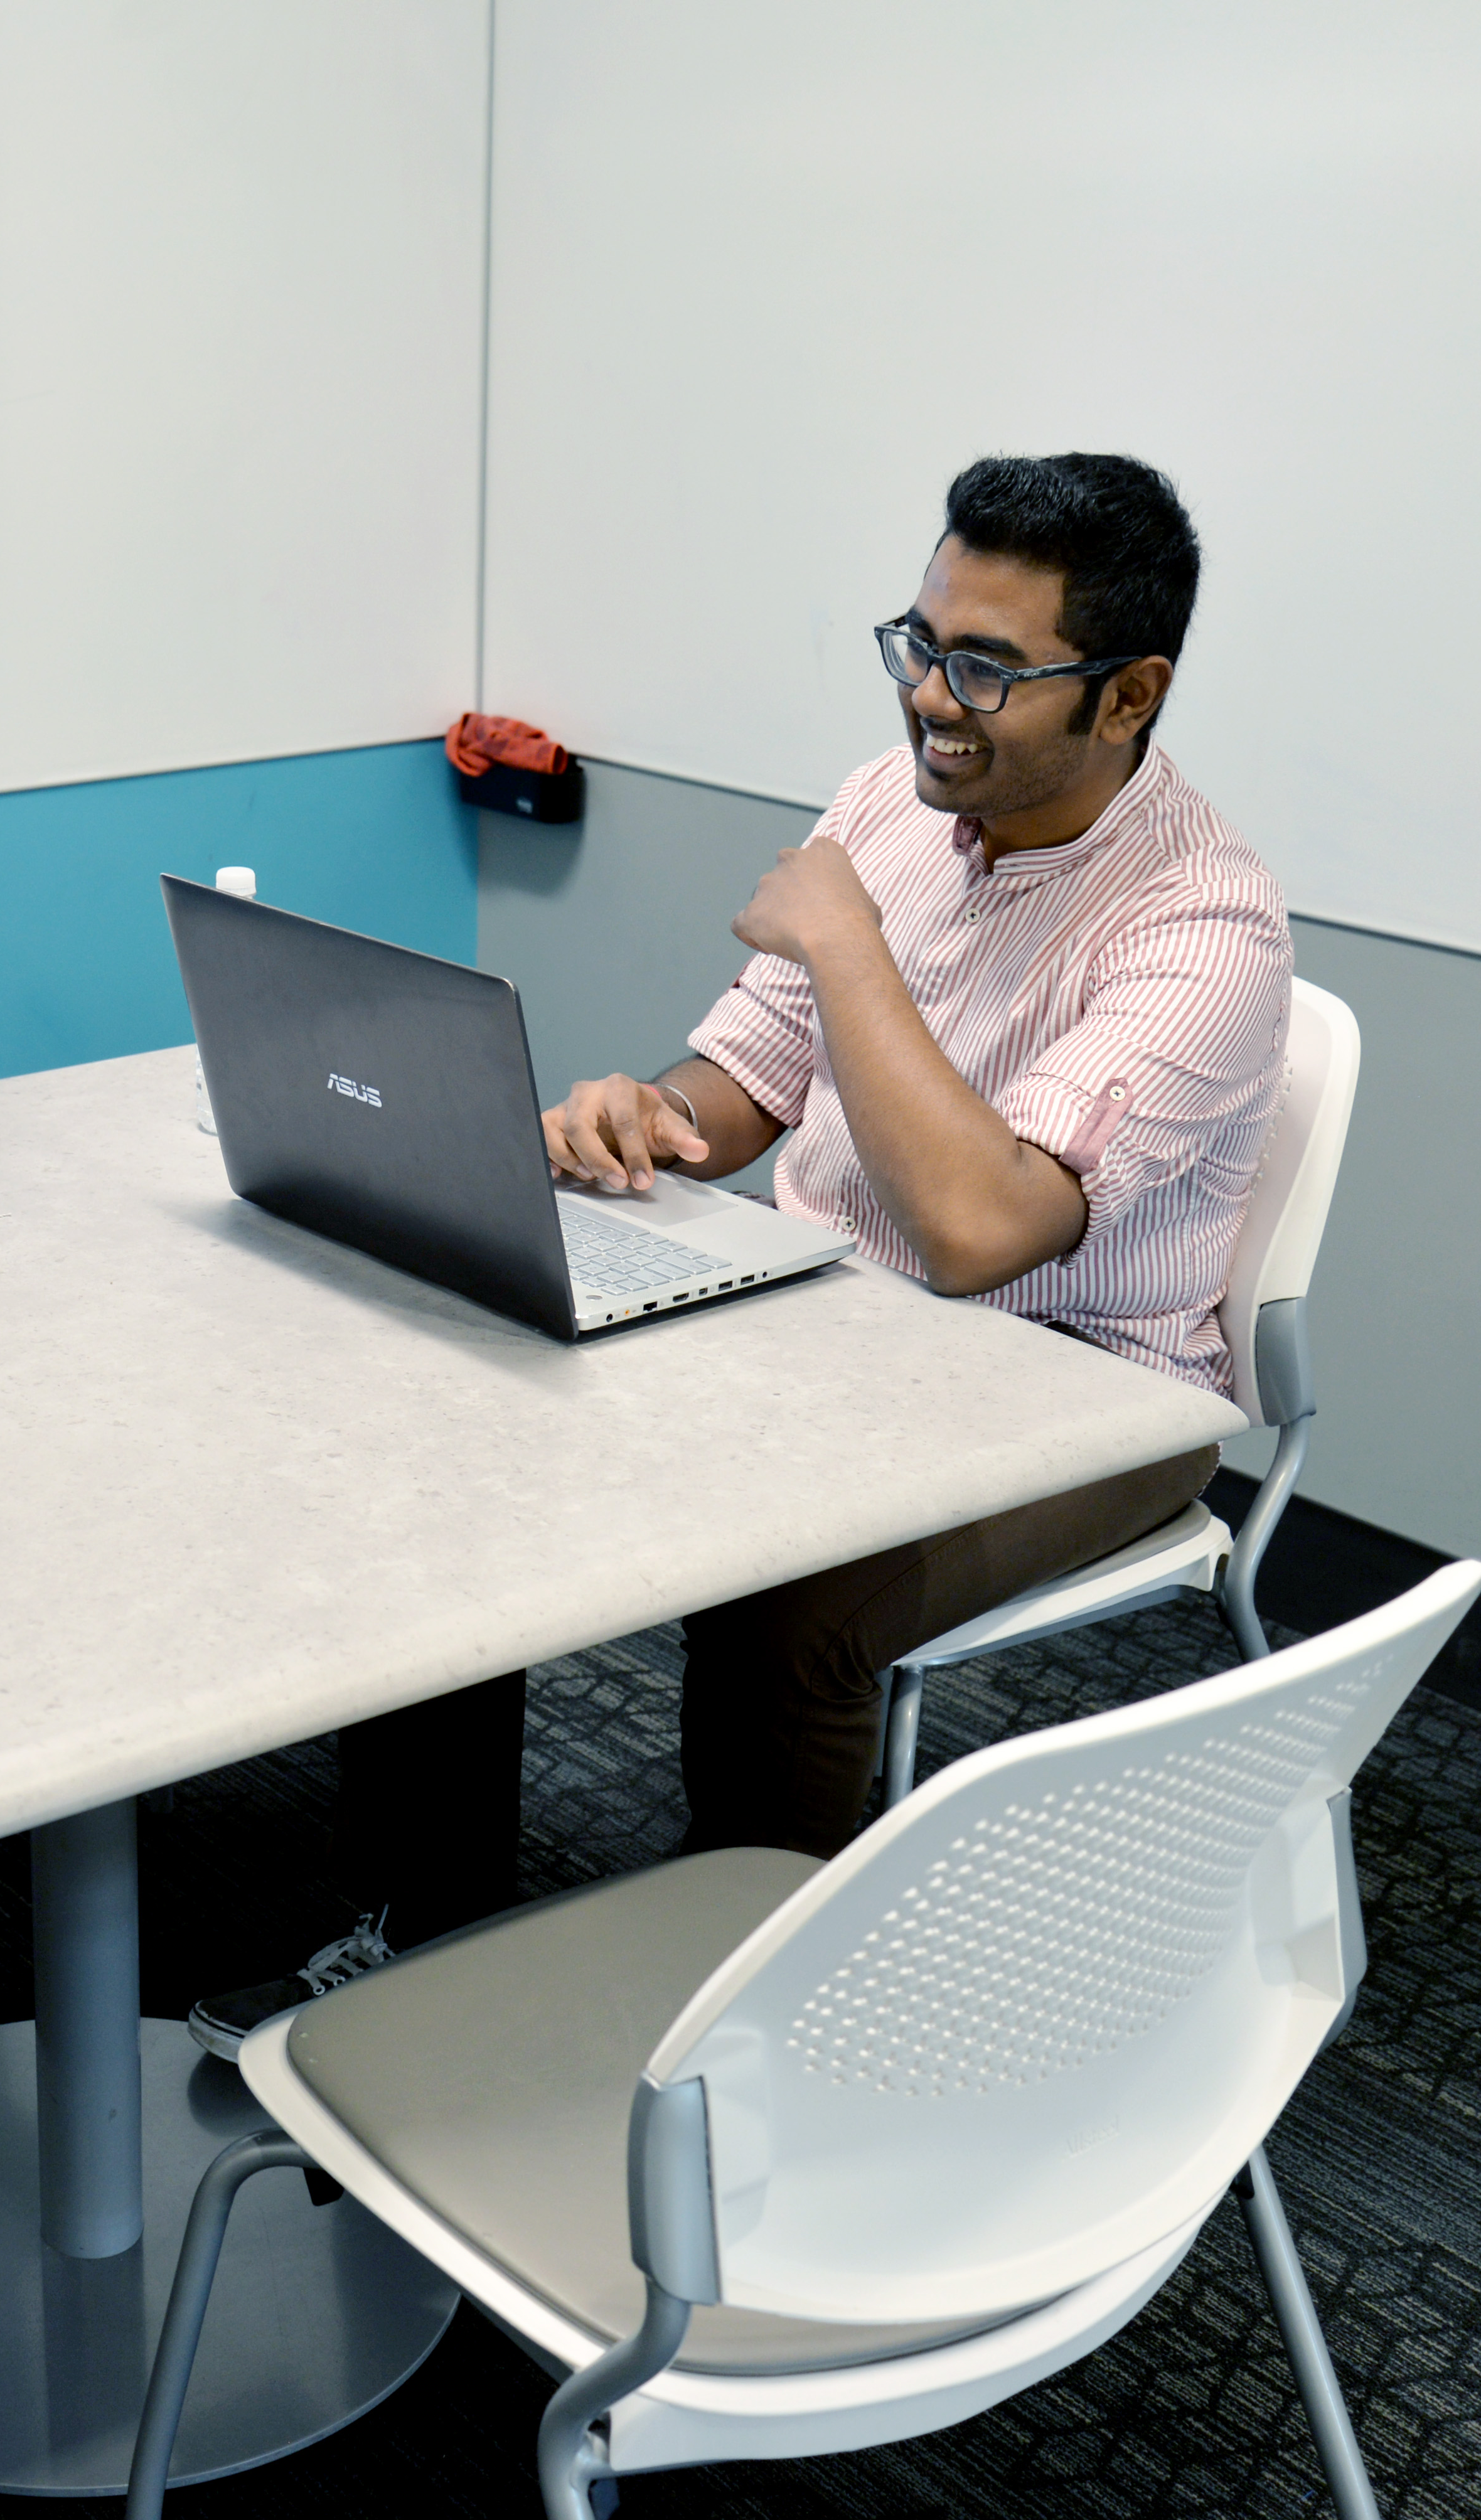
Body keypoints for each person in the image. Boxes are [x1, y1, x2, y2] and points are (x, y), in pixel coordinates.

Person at [193, 453, 1283, 2051]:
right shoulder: (890, 809)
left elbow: (983, 1232)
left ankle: (750, 2031)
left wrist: (845, 946)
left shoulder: (1202, 930)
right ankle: (411, 1936)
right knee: (458, 1443)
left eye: (983, 666)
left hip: (1080, 1393)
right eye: (915, 642)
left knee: (796, 1596)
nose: (931, 697)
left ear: (1128, 696)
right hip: (834, 1324)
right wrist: (646, 1115)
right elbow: (745, 1088)